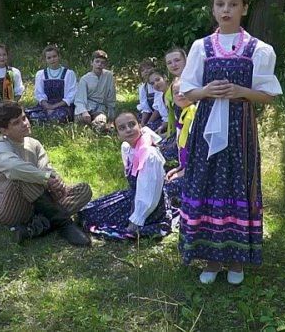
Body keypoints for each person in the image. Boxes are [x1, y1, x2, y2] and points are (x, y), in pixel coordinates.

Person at [178, 0, 282, 285]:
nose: (226, 10)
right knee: (208, 182)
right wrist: (207, 91)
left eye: (233, 4)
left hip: (240, 129)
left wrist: (240, 91)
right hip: (206, 127)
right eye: (220, 4)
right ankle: (211, 258)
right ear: (213, 8)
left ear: (244, 8)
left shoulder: (258, 49)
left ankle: (237, 258)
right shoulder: (201, 47)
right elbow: (187, 91)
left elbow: (269, 95)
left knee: (238, 183)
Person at [0, 101, 92, 246]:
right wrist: (45, 178)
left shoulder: (33, 143)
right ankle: (64, 223)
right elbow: (14, 169)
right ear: (4, 130)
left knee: (83, 189)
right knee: (23, 177)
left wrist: (55, 181)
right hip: (10, 207)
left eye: (24, 118)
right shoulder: (1, 148)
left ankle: (33, 228)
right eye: (16, 122)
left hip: (38, 202)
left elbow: (46, 168)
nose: (24, 123)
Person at [78, 112, 175, 240]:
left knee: (92, 217)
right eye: (122, 128)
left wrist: (136, 220)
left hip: (151, 208)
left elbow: (151, 193)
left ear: (140, 126)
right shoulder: (127, 148)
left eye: (132, 124)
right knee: (87, 211)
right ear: (118, 135)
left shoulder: (149, 155)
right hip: (135, 195)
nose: (128, 130)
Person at [25, 45, 77, 124]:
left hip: (62, 106)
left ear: (59, 57)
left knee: (60, 116)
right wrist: (47, 106)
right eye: (49, 58)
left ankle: (47, 120)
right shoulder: (41, 74)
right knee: (31, 115)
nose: (52, 59)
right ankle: (45, 119)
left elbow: (71, 95)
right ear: (45, 59)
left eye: (54, 56)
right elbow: (39, 93)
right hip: (45, 105)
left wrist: (54, 107)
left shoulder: (69, 73)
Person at [74, 50, 116, 132]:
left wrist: (111, 118)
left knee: (100, 124)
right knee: (81, 123)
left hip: (100, 108)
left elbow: (111, 97)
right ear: (92, 63)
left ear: (105, 65)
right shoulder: (85, 79)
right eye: (97, 61)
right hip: (86, 106)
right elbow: (79, 99)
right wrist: (84, 112)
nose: (99, 64)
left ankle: (98, 126)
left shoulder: (109, 76)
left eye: (102, 63)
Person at [164, 79, 198, 182]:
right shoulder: (184, 111)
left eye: (184, 90)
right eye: (176, 92)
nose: (180, 94)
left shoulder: (193, 111)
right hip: (185, 164)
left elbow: (193, 146)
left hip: (194, 168)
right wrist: (180, 167)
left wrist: (184, 171)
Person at [147, 69, 179, 162]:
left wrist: (168, 136)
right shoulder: (164, 95)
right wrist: (162, 128)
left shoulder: (174, 92)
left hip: (182, 131)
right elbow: (170, 118)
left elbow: (180, 119)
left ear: (165, 78)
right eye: (152, 83)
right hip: (173, 130)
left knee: (162, 153)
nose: (156, 84)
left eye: (158, 80)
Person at [163, 47, 188, 137]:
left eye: (177, 60)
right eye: (169, 63)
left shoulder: (194, 81)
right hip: (179, 131)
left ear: (186, 60)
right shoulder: (173, 84)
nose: (173, 65)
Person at [136, 59, 162, 130]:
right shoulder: (143, 88)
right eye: (143, 70)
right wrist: (143, 123)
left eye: (148, 68)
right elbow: (145, 108)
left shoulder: (159, 85)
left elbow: (158, 108)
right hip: (150, 113)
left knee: (151, 127)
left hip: (161, 114)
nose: (146, 71)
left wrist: (148, 123)